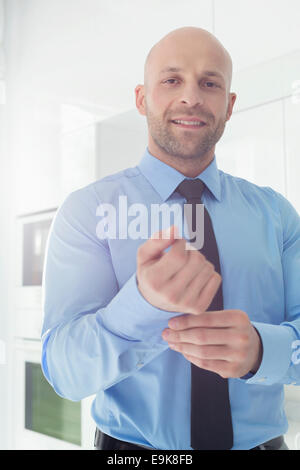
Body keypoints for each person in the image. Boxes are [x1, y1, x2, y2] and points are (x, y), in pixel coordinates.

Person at [41, 26, 300, 450]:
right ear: (142, 98)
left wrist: (261, 351)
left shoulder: (278, 215)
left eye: (210, 83)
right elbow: (65, 374)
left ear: (230, 105)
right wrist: (141, 305)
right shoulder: (88, 212)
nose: (192, 97)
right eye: (172, 80)